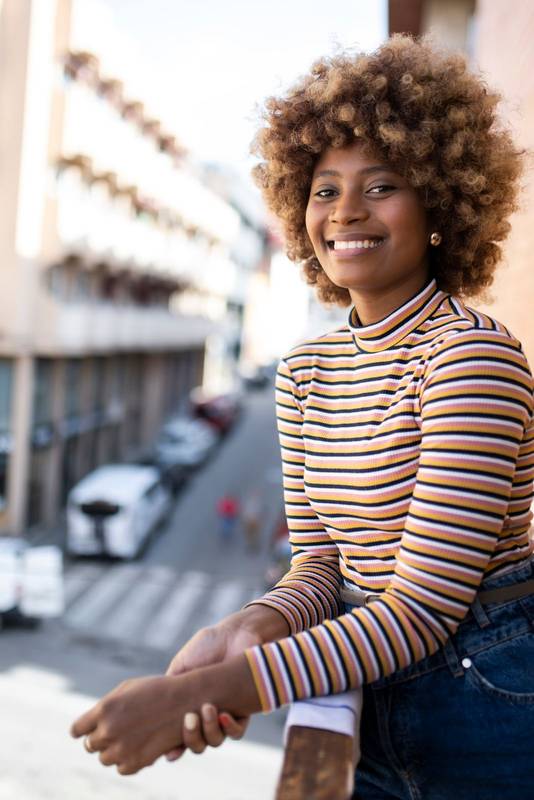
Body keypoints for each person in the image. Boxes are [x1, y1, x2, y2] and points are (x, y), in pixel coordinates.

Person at [71, 35, 534, 798]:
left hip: (485, 700)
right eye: (325, 189)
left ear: (442, 205)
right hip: (360, 687)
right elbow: (323, 563)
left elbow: (421, 609)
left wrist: (204, 694)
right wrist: (253, 625)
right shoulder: (304, 371)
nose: (346, 210)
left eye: (382, 185)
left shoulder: (471, 359)